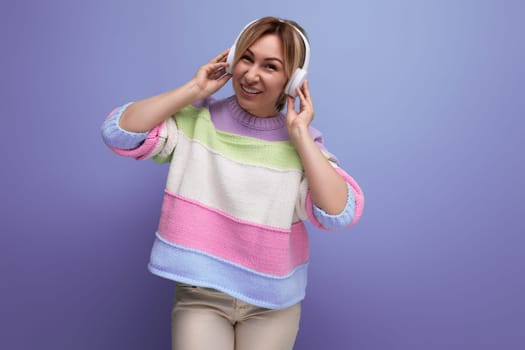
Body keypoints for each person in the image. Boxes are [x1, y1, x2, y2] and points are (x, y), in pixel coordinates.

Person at [101, 16, 364, 350]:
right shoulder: (197, 119)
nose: (251, 75)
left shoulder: (304, 144)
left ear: (293, 79)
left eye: (270, 66)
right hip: (201, 296)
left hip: (272, 305)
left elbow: (339, 212)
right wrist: (193, 90)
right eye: (246, 58)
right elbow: (118, 133)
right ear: (232, 59)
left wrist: (299, 134)